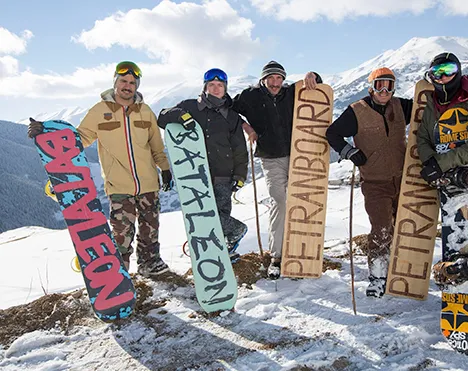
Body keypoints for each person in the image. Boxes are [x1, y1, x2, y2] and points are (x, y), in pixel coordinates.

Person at [28, 61, 173, 277]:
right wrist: (46, 131)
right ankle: (119, 274)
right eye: (124, 81)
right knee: (122, 234)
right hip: (118, 185)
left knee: (150, 230)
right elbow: (79, 139)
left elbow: (156, 145)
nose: (128, 86)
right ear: (115, 81)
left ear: (137, 85)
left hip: (149, 183)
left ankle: (149, 263)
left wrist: (165, 169)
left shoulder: (145, 111)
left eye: (132, 82)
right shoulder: (99, 111)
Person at [326, 67, 413, 297]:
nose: (384, 90)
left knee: (402, 226)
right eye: (379, 85)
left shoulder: (402, 106)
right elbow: (332, 133)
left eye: (389, 85)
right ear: (371, 87)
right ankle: (377, 275)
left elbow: (427, 110)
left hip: (403, 177)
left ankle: (398, 270)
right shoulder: (357, 111)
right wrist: (349, 152)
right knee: (382, 227)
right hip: (375, 181)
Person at [232, 61, 322, 279]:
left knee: (302, 200)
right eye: (271, 78)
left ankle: (302, 252)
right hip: (271, 158)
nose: (275, 83)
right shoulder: (250, 96)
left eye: (279, 78)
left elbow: (319, 89)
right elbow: (228, 109)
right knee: (280, 201)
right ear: (263, 79)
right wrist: (246, 126)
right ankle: (277, 256)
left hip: (300, 154)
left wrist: (313, 75)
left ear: (284, 79)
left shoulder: (292, 92)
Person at [417, 52, 468, 285]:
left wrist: (440, 163)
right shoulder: (433, 102)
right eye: (436, 73)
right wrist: (430, 162)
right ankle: (458, 278)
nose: (443, 78)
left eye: (448, 70)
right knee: (453, 231)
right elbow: (423, 137)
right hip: (446, 181)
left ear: (459, 71)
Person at [157, 68, 248, 262]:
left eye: (220, 86)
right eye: (212, 85)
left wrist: (240, 176)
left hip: (223, 174)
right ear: (205, 87)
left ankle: (225, 250)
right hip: (194, 175)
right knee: (201, 216)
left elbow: (240, 149)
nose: (216, 89)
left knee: (221, 214)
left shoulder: (231, 116)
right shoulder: (190, 107)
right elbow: (163, 117)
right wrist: (181, 116)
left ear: (225, 89)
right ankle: (231, 235)